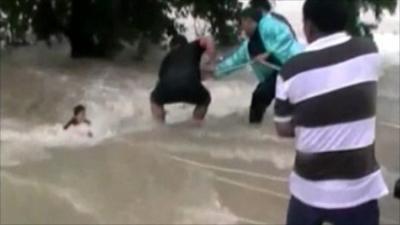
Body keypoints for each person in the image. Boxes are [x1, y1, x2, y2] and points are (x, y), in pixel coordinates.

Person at [273, 1, 388, 225]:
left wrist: (311, 117)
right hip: (360, 191)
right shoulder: (369, 51)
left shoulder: (290, 70)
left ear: (308, 27)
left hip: (308, 191)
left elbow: (283, 128)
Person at [213, 7, 302, 124]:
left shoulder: (268, 25)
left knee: (294, 102)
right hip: (277, 74)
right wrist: (215, 72)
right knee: (259, 95)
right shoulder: (247, 46)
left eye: (242, 23)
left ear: (248, 20)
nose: (241, 28)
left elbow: (286, 35)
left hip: (295, 66)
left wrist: (268, 53)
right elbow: (234, 62)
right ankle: (255, 129)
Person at [150, 35, 216, 124]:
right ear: (186, 43)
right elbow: (208, 39)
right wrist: (210, 58)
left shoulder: (167, 57)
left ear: (172, 46)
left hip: (166, 88)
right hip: (191, 87)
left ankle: (159, 124)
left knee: (154, 99)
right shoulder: (193, 46)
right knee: (205, 99)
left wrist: (161, 106)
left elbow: (161, 81)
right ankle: (196, 123)